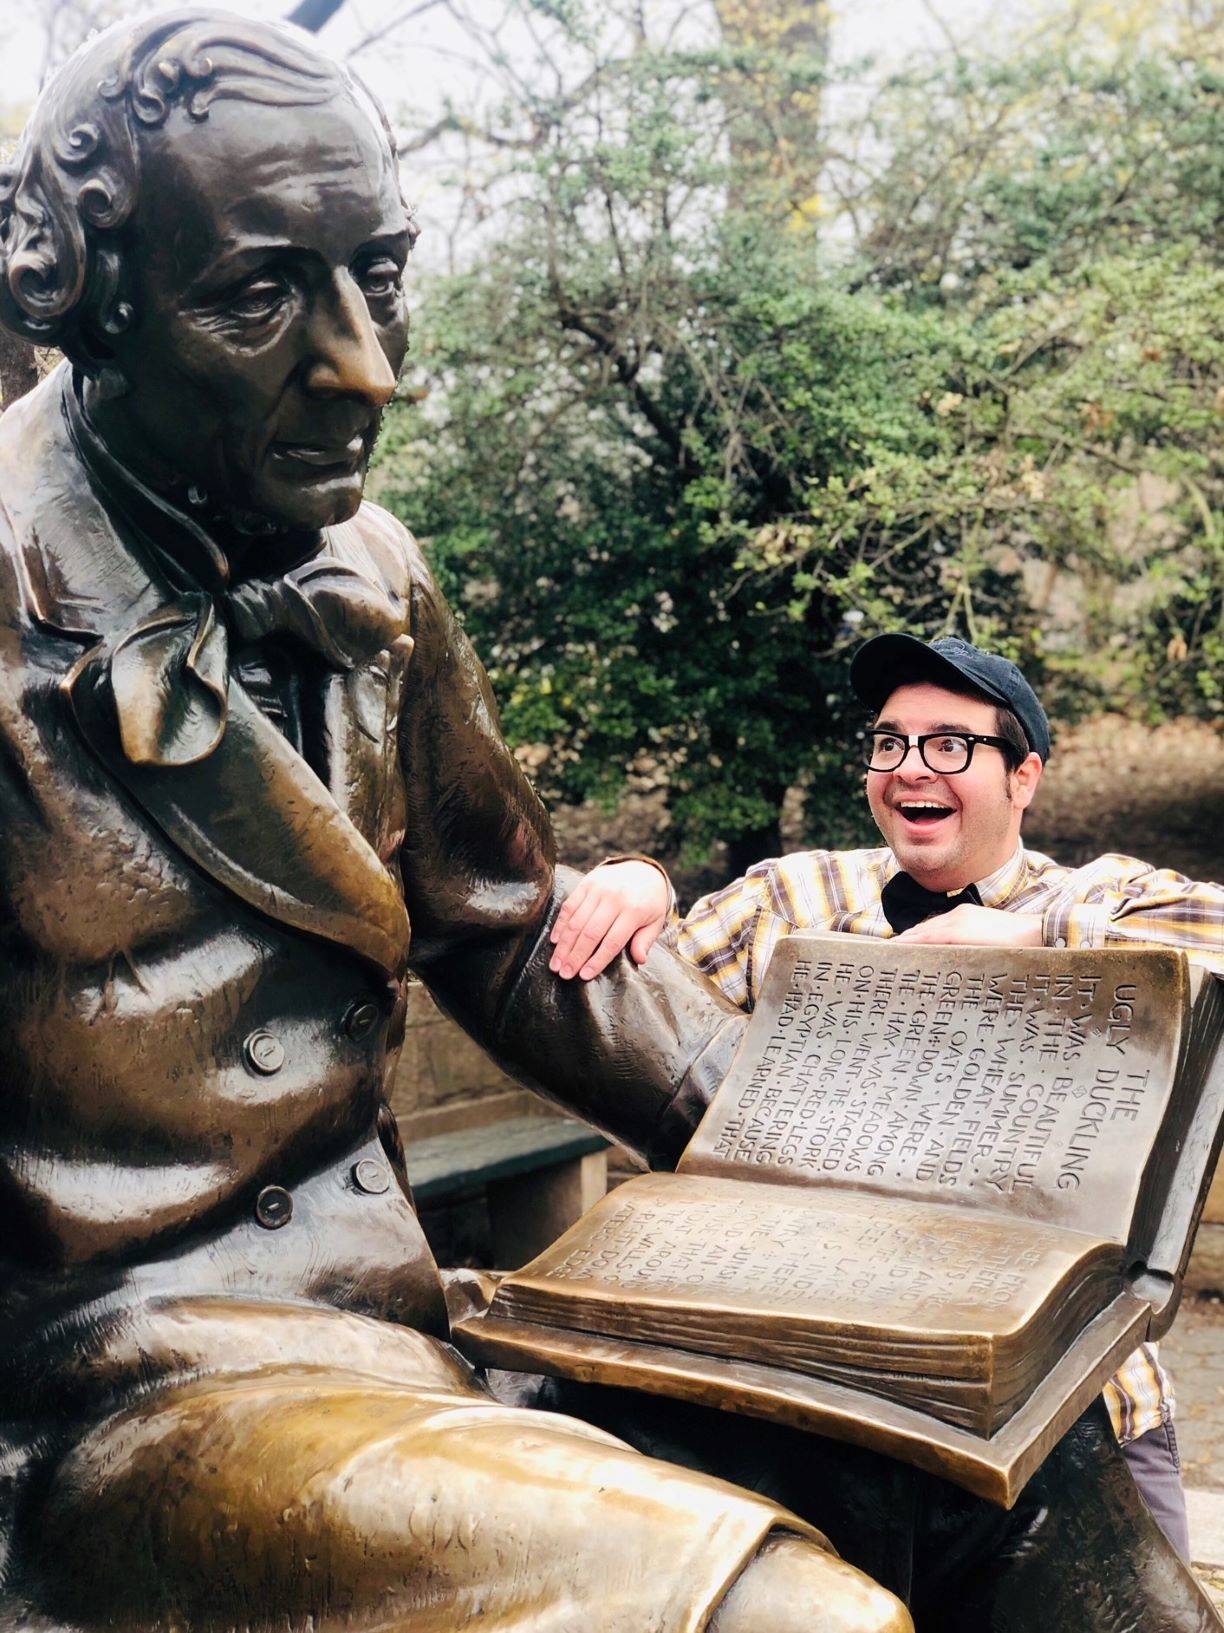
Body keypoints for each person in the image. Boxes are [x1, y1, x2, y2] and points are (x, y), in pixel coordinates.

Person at [0, 14, 913, 1632]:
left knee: (1002, 1462)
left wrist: (836, 1172)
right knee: (780, 1617)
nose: (368, 369)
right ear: (87, 305)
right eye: (264, 295)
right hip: (122, 1406)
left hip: (398, 1332)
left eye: (383, 275)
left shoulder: (376, 574)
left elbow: (506, 929)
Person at [553, 632, 1224, 1615]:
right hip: (833, 1422)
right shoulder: (791, 898)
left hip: (1079, 1418)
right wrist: (638, 882)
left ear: (1023, 774)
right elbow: (636, 1008)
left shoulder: (1096, 900)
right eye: (890, 743)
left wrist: (1026, 935)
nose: (911, 767)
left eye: (950, 745)